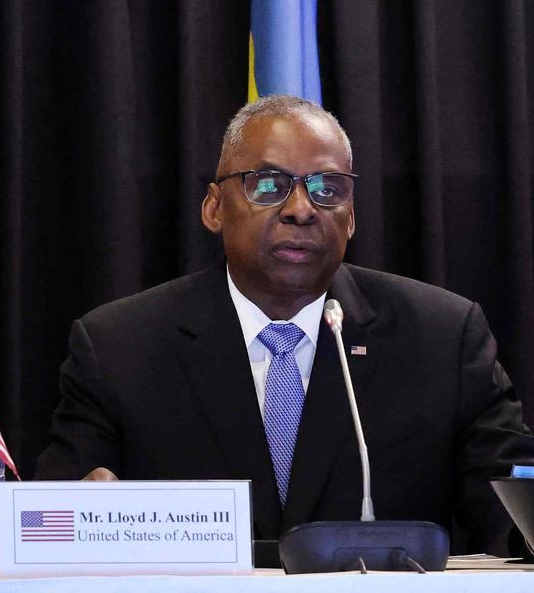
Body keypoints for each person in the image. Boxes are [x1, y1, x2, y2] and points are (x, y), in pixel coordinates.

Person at [35, 95, 534, 554]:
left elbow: (514, 517)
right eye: (268, 185)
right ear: (213, 207)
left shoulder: (443, 337)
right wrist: (80, 513)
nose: (300, 209)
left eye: (327, 189)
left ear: (352, 216)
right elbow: (50, 526)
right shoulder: (119, 347)